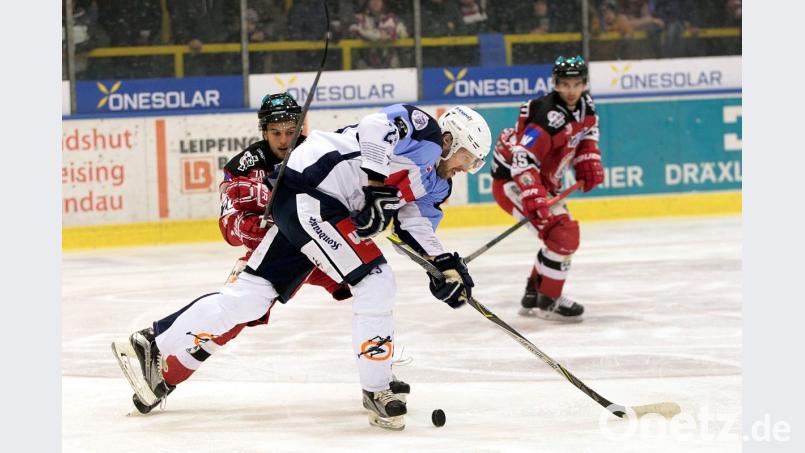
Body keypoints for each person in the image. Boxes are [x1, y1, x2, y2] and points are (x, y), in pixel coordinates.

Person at [112, 104, 492, 430]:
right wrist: (376, 184)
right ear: (450, 141)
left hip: (314, 207)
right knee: (376, 280)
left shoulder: (436, 186)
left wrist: (444, 266)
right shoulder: (424, 129)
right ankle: (377, 388)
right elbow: (376, 127)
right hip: (313, 189)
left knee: (250, 299)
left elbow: (414, 224)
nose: (466, 168)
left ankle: (153, 342)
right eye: (467, 158)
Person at [490, 55, 604, 323]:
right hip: (513, 183)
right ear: (556, 84)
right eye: (565, 85)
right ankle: (548, 301)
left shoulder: (586, 106)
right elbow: (522, 158)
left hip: (543, 183)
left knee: (559, 237)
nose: (572, 91)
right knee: (563, 236)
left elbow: (587, 135)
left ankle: (534, 293)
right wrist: (532, 194)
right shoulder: (547, 117)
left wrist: (589, 160)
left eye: (577, 84)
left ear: (585, 84)